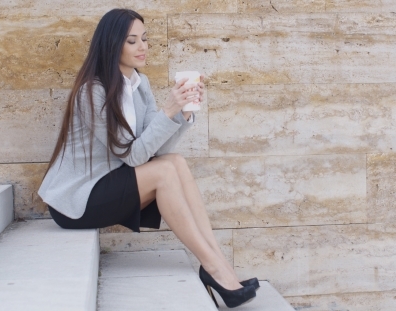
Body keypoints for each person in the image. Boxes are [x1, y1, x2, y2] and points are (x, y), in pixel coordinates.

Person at [38, 8, 257, 308]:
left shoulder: (140, 86)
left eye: (145, 38)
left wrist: (182, 115)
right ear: (112, 44)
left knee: (175, 162)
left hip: (110, 183)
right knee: (165, 173)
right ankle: (214, 268)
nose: (142, 47)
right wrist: (167, 111)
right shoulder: (93, 93)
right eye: (132, 41)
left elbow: (158, 152)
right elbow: (133, 158)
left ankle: (219, 264)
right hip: (78, 199)